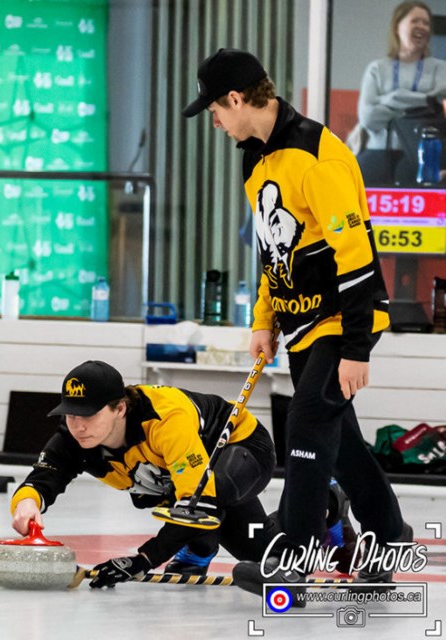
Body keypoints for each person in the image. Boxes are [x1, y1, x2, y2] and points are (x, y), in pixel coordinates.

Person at [182, 48, 411, 599]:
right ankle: (388, 536)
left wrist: (357, 347)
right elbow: (273, 248)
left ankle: (295, 560)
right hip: (302, 325)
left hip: (343, 319)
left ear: (237, 99)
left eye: (214, 108)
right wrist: (265, 319)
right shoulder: (255, 156)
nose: (213, 120)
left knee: (307, 422)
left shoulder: (315, 157)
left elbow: (356, 255)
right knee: (343, 444)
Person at [10, 360, 282, 587]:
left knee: (213, 500)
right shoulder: (74, 435)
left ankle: (322, 506)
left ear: (120, 408)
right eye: (71, 415)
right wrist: (27, 503)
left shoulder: (165, 420)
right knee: (258, 547)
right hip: (183, 480)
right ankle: (203, 545)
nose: (78, 426)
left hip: (241, 448)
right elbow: (45, 475)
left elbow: (200, 505)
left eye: (88, 415)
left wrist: (143, 560)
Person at [356, 2, 446, 183]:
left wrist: (387, 101)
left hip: (423, 157)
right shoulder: (376, 69)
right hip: (379, 153)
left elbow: (436, 108)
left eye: (426, 23)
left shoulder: (440, 69)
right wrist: (419, 104)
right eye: (415, 21)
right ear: (398, 26)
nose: (422, 27)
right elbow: (369, 118)